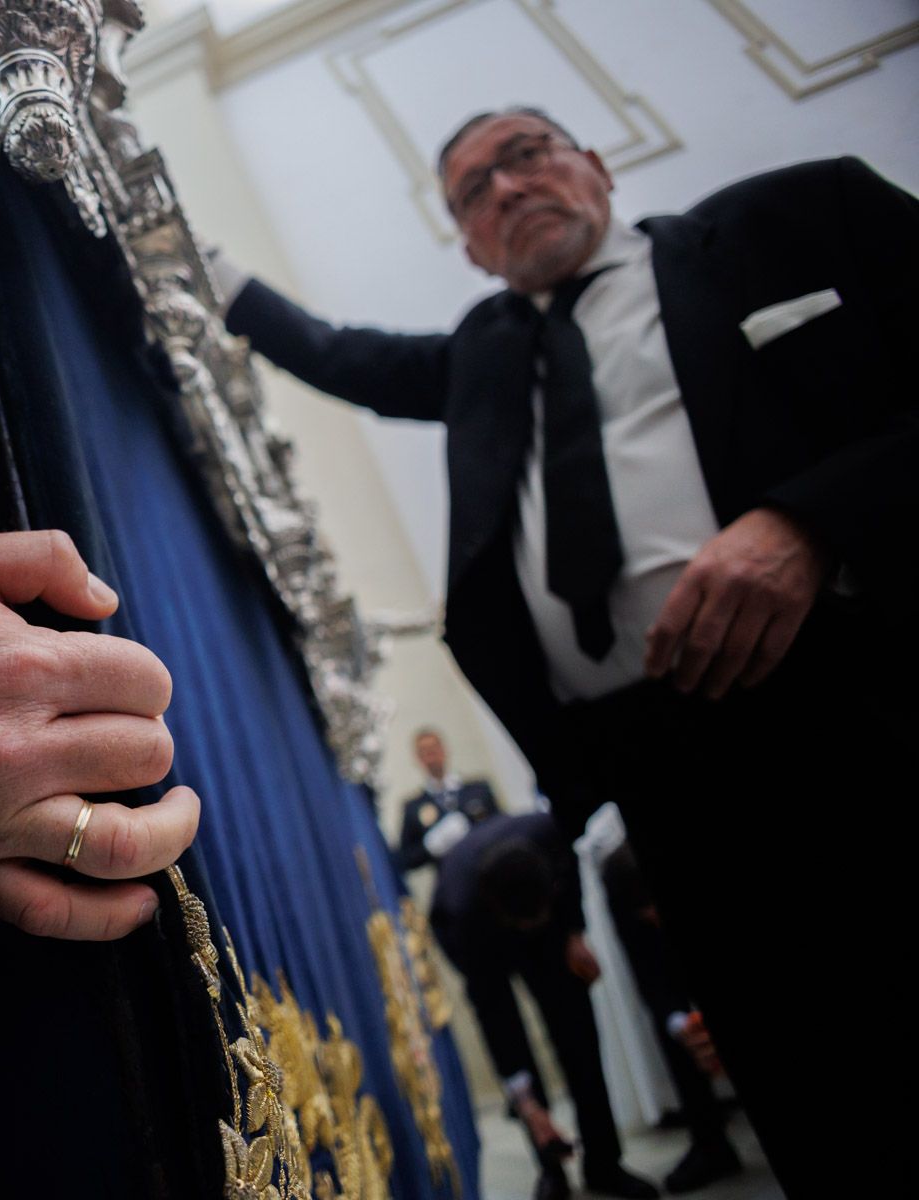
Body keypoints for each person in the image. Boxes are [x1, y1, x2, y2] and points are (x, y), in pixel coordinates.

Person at [215, 106, 915, 1195]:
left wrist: (813, 522)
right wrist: (187, 256)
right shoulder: (484, 357)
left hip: (847, 697)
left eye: (526, 155)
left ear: (594, 163)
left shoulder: (794, 219)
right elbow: (336, 353)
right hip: (654, 766)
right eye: (472, 192)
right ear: (468, 245)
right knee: (800, 1067)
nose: (506, 188)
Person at [430, 812, 656, 1200]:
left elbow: (571, 880)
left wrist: (574, 933)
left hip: (552, 932)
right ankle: (550, 1165)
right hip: (488, 939)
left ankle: (604, 1163)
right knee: (518, 1059)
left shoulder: (549, 833)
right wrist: (525, 1100)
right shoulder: (461, 914)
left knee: (579, 1035)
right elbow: (496, 1018)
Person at [599, 844, 741, 1193]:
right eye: (644, 911)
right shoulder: (617, 881)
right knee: (677, 1035)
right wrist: (683, 1027)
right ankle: (711, 1144)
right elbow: (649, 976)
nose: (652, 916)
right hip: (663, 971)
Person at [393, 726, 501, 873]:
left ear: (444, 750)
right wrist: (430, 846)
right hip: (453, 878)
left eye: (434, 748)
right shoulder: (414, 807)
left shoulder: (478, 790)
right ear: (418, 759)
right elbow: (406, 858)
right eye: (424, 752)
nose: (431, 756)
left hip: (490, 868)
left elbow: (502, 826)